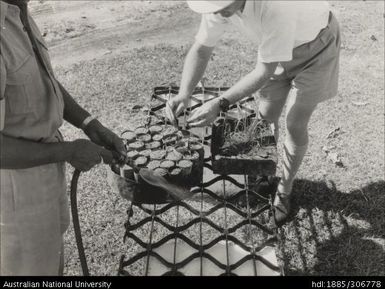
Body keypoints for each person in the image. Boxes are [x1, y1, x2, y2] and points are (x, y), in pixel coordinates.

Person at [167, 0, 341, 226]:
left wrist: (220, 104)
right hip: (279, 45)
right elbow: (201, 48)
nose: (218, 12)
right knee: (266, 117)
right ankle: (265, 173)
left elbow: (264, 71)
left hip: (316, 46)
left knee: (294, 123)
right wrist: (183, 93)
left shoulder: (276, 7)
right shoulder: (218, 6)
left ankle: (284, 191)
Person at [0, 0, 126, 275]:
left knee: (49, 265)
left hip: (43, 172)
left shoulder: (17, 9)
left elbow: (42, 79)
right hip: (13, 190)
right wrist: (67, 152)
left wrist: (88, 123)